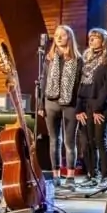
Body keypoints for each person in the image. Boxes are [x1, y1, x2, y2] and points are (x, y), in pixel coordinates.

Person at [38, 24, 83, 189]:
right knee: (54, 140)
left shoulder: (78, 60)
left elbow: (80, 85)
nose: (58, 38)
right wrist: (41, 104)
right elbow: (43, 82)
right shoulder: (49, 58)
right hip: (51, 102)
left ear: (69, 38)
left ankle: (70, 176)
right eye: (56, 35)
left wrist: (80, 107)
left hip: (70, 103)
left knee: (69, 142)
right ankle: (55, 175)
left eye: (62, 35)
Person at [75, 28, 107, 187]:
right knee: (87, 142)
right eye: (90, 37)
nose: (91, 40)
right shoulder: (85, 58)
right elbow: (80, 84)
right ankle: (92, 173)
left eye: (95, 37)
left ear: (103, 40)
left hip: (100, 104)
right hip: (85, 104)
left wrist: (98, 108)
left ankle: (105, 175)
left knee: (100, 140)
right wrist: (79, 109)